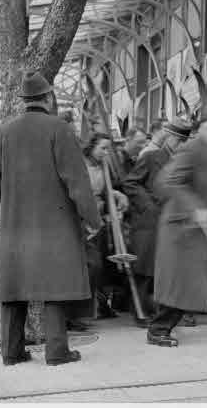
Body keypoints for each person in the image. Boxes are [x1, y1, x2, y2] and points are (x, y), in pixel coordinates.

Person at [0, 72, 101, 366]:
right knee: (55, 284)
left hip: (15, 223)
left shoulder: (4, 131)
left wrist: (14, 200)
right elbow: (77, 181)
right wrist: (92, 219)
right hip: (54, 223)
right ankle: (57, 351)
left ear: (24, 101)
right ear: (49, 97)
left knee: (14, 286)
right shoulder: (59, 128)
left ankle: (11, 353)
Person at [147, 105, 207, 347]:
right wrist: (195, 207)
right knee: (180, 282)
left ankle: (162, 326)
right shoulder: (192, 149)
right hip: (181, 227)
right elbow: (166, 181)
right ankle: (157, 329)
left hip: (199, 230)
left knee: (190, 283)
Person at [121, 118, 192, 321]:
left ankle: (167, 312)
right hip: (149, 222)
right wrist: (148, 206)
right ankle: (141, 311)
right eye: (178, 140)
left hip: (173, 221)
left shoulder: (185, 164)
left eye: (183, 141)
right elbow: (131, 183)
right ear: (169, 138)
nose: (181, 145)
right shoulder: (151, 157)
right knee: (145, 269)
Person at [81, 132, 129, 323]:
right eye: (102, 148)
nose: (105, 152)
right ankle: (78, 314)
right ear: (91, 146)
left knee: (99, 268)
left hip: (98, 221)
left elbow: (105, 189)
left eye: (108, 149)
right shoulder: (80, 165)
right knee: (91, 267)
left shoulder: (103, 165)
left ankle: (97, 308)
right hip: (83, 222)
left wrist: (118, 196)